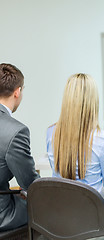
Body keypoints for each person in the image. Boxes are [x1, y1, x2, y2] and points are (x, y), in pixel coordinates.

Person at [46, 73, 104, 234]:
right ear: (93, 102)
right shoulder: (103, 139)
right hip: (93, 222)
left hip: (61, 217)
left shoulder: (51, 133)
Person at [0, 63, 40, 231]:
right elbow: (30, 184)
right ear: (17, 92)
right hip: (3, 215)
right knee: (48, 209)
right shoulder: (15, 131)